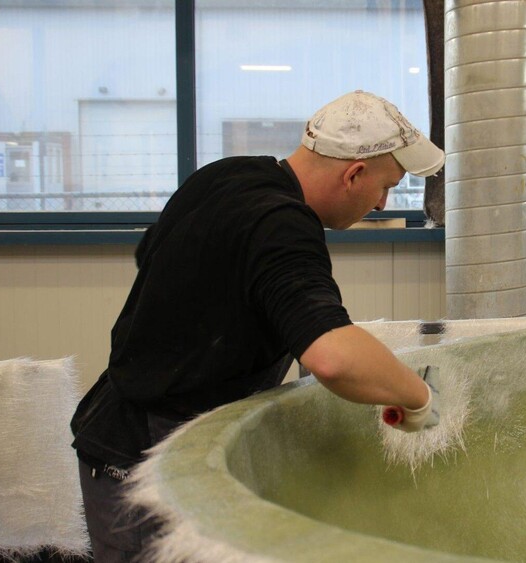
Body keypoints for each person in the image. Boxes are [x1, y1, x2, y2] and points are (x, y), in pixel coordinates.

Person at [70, 90, 445, 562]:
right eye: (384, 187)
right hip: (143, 458)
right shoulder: (284, 224)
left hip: (129, 428)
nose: (380, 203)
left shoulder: (226, 175)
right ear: (354, 174)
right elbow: (332, 356)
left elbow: (151, 258)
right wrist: (418, 398)